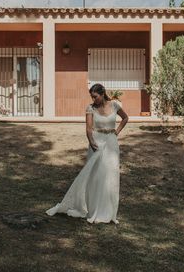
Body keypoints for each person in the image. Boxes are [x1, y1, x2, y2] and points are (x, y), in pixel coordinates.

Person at [46, 83, 129, 224]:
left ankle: (108, 211)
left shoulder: (114, 105)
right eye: (92, 97)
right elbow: (89, 129)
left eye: (95, 96)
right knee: (96, 176)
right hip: (96, 143)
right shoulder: (90, 108)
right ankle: (93, 209)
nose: (93, 99)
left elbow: (125, 118)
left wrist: (117, 131)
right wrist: (92, 142)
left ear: (102, 94)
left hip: (111, 143)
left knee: (110, 176)